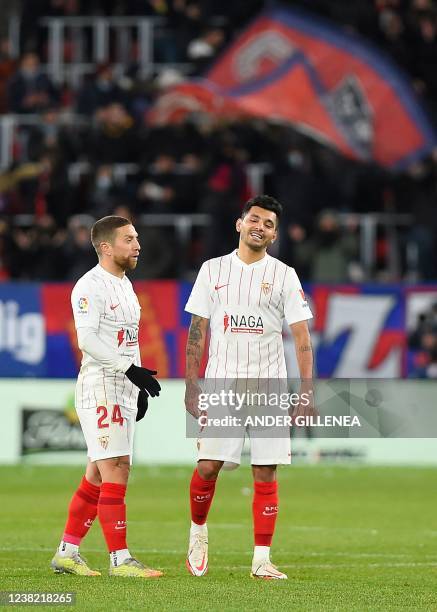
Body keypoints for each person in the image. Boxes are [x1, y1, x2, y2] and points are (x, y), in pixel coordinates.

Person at [184, 195, 313, 579]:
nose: (260, 226)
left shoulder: (285, 275)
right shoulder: (212, 270)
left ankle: (261, 560)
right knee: (208, 466)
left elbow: (302, 337)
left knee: (266, 471)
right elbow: (197, 331)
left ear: (274, 235)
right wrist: (192, 385)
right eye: (254, 219)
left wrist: (306, 390)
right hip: (222, 383)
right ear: (240, 224)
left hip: (269, 385)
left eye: (268, 223)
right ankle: (198, 531)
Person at [51, 215, 163, 578]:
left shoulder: (126, 285)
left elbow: (128, 338)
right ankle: (120, 559)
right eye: (129, 239)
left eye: (136, 239)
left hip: (123, 385)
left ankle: (67, 552)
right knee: (117, 467)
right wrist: (128, 370)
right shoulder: (89, 287)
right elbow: (87, 341)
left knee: (98, 474)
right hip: (101, 385)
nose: (137, 245)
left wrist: (140, 381)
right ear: (105, 247)